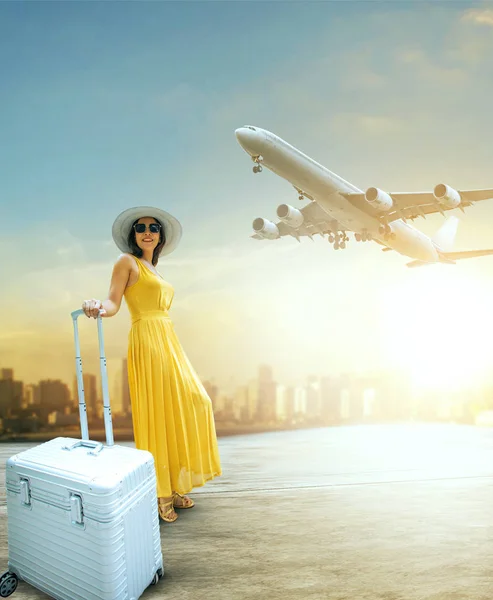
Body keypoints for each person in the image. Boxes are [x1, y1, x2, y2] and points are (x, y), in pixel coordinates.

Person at [82, 206, 222, 522]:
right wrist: (95, 306)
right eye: (141, 227)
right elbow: (113, 302)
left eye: (154, 227)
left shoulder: (154, 268)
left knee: (194, 402)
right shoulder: (126, 262)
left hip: (168, 338)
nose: (148, 231)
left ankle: (172, 483)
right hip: (147, 335)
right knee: (157, 412)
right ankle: (160, 492)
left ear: (160, 236)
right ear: (133, 236)